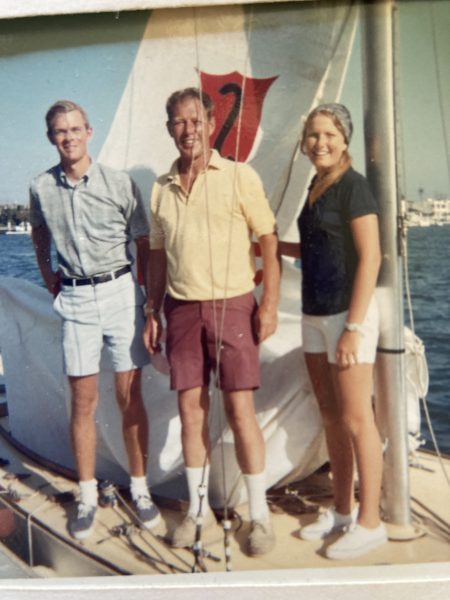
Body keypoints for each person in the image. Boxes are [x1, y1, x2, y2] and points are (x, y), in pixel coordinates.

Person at [144, 88, 280, 556]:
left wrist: (271, 304)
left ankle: (259, 518)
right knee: (190, 413)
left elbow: (268, 239)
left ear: (209, 122)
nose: (189, 130)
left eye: (196, 120)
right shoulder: (161, 187)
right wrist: (151, 309)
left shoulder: (240, 176)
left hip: (234, 304)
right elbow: (157, 257)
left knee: (241, 412)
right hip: (181, 310)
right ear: (170, 130)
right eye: (179, 123)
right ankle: (197, 512)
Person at [29, 100, 160, 540]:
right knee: (83, 400)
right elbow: (40, 231)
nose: (68, 138)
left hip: (121, 291)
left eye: (74, 129)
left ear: (89, 131)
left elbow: (142, 240)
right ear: (51, 138)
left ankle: (140, 489)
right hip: (77, 298)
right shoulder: (40, 187)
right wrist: (49, 277)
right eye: (59, 132)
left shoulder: (118, 183)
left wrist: (145, 301)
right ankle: (87, 494)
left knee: (129, 397)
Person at [279, 103, 387, 560]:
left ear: (344, 139)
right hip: (314, 314)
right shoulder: (315, 186)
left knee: (358, 420)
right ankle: (342, 512)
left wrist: (353, 329)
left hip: (348, 317)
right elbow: (313, 247)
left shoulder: (353, 187)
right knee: (331, 420)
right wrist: (264, 248)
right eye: (312, 135)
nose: (320, 142)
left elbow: (371, 258)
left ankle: (371, 522)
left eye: (328, 134)